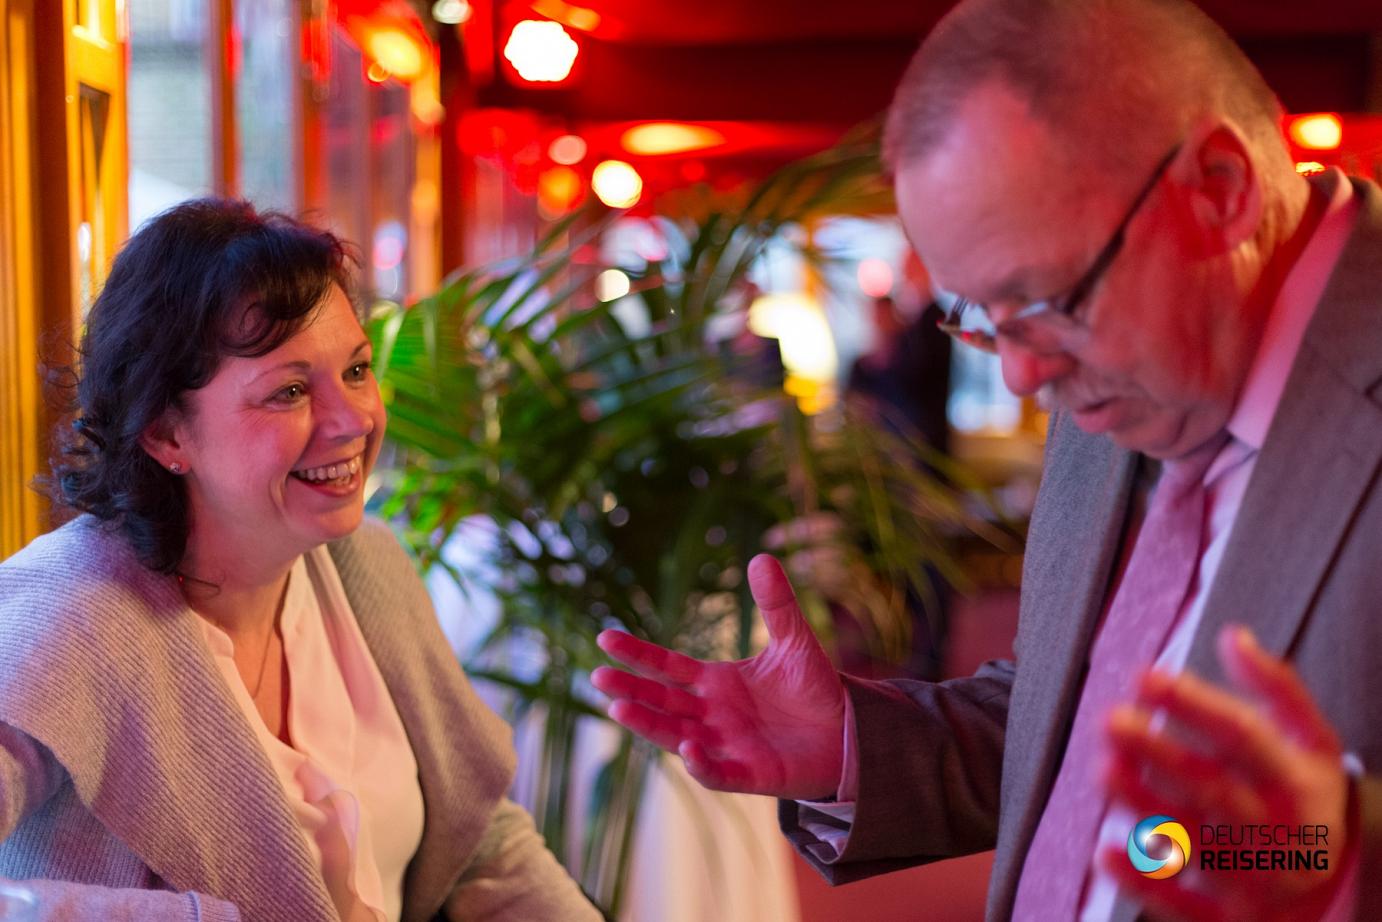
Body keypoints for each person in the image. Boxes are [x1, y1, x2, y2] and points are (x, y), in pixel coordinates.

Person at [592, 0, 1382, 919]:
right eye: (979, 319)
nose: (1020, 374)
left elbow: (1302, 833)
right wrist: (852, 744)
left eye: (1044, 300)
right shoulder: (1108, 365)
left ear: (1219, 189)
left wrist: (1337, 855)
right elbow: (1079, 714)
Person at [0, 199, 601, 921]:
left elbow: (479, 842)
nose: (355, 420)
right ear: (165, 434)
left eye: (357, 370)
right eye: (289, 391)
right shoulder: (65, 617)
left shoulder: (367, 563)